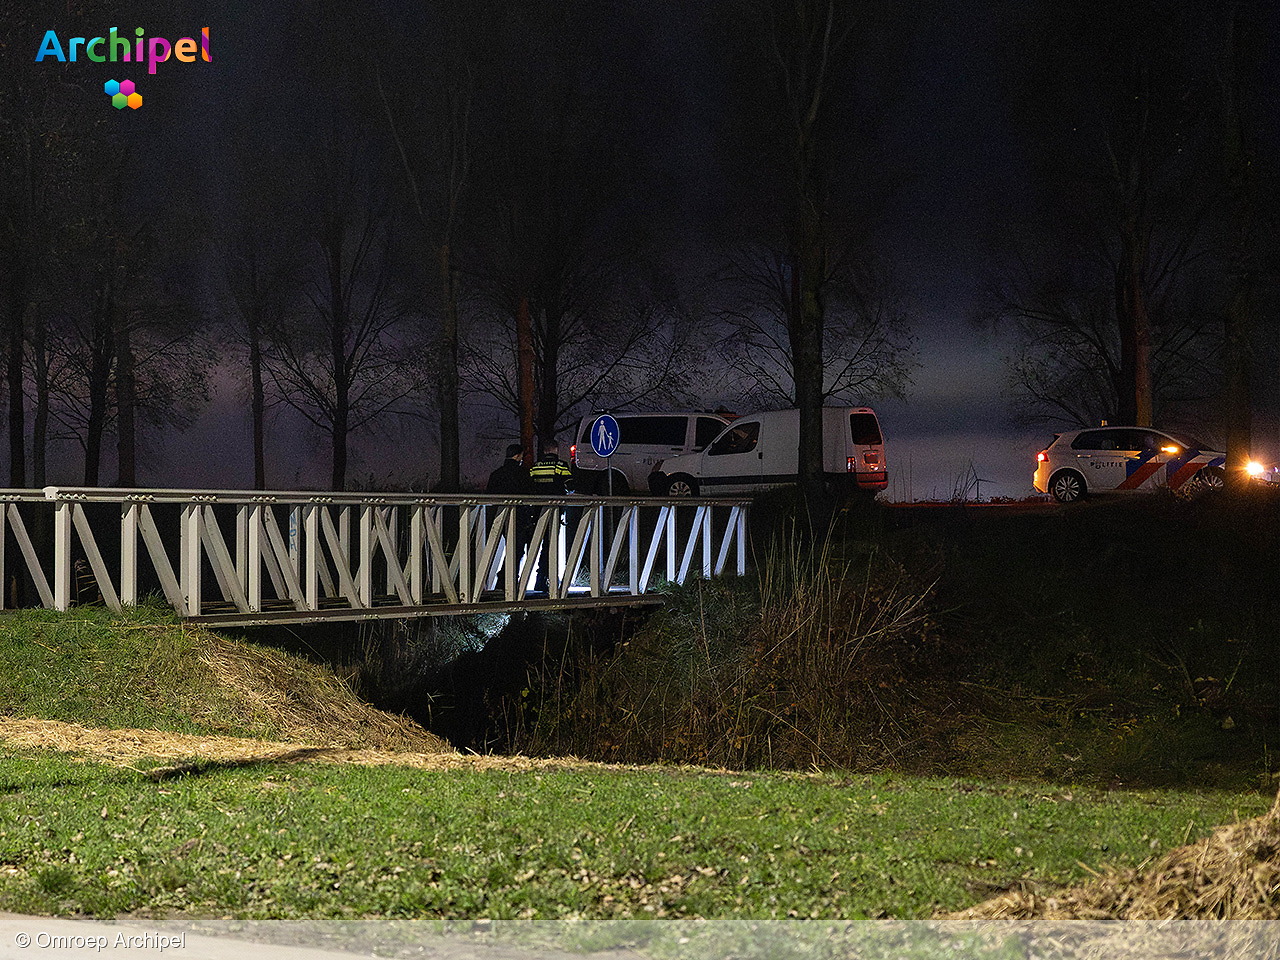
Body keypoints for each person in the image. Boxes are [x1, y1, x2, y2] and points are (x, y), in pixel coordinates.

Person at [529, 441, 574, 593]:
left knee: (535, 542)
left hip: (537, 509)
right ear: (556, 450)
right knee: (549, 544)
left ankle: (528, 577)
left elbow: (530, 484)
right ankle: (543, 579)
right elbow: (569, 484)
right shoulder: (560, 465)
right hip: (554, 509)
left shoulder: (536, 466)